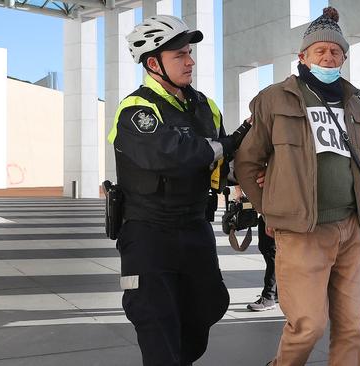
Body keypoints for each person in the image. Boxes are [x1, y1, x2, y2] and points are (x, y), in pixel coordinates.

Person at [107, 15, 251, 366]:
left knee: (209, 304)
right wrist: (231, 142)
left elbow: (218, 166)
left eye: (189, 53)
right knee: (152, 316)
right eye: (180, 55)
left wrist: (244, 176)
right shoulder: (137, 109)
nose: (190, 61)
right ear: (153, 63)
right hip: (145, 235)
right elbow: (172, 156)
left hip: (194, 229)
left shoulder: (206, 106)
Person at [234, 7, 360, 366]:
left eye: (336, 51)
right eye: (320, 50)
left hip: (351, 229)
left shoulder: (355, 102)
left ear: (344, 57)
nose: (329, 56)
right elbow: (247, 162)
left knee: (351, 326)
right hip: (300, 229)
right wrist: (269, 207)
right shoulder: (275, 98)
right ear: (303, 56)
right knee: (308, 324)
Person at [247, 215, 278, 311]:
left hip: (273, 215)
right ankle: (276, 292)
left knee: (272, 253)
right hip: (269, 215)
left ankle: (269, 296)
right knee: (269, 251)